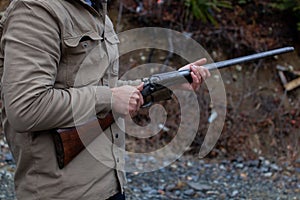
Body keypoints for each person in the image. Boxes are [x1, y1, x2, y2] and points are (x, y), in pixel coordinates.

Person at [0, 0, 210, 199]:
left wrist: (172, 81)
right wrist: (108, 98)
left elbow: (105, 88)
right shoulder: (35, 11)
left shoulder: (96, 11)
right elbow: (25, 108)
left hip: (110, 181)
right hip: (63, 191)